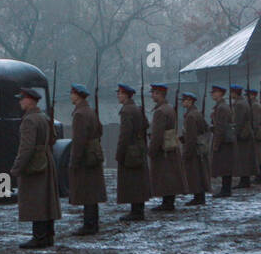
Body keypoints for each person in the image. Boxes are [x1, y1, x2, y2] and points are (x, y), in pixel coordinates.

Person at [10, 87, 61, 247]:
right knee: (46, 200)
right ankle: (48, 235)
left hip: (34, 165)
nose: (20, 102)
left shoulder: (29, 120)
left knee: (36, 200)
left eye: (22, 98)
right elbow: (53, 139)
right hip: (45, 160)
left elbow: (26, 148)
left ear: (30, 100)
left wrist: (17, 168)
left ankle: (38, 237)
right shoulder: (43, 117)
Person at [67, 84, 106, 235]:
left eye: (72, 93)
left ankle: (89, 225)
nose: (71, 96)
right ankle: (92, 223)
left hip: (85, 157)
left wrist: (74, 161)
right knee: (92, 192)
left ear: (77, 95)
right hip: (93, 154)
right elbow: (100, 130)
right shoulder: (89, 111)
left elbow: (79, 141)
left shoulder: (80, 114)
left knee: (87, 192)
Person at [146, 83, 187, 212]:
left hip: (163, 147)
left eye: (154, 93)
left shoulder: (160, 111)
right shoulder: (169, 108)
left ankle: (167, 203)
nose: (152, 95)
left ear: (159, 94)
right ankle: (168, 201)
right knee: (170, 175)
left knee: (165, 176)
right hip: (170, 146)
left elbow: (158, 133)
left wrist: (152, 150)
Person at [114, 83, 151, 220]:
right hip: (139, 147)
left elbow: (125, 134)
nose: (118, 95)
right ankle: (138, 209)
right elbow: (146, 124)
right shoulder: (137, 108)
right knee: (138, 180)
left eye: (120, 93)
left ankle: (136, 212)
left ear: (126, 95)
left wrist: (120, 153)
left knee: (132, 181)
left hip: (130, 150)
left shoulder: (126, 110)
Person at [179, 90, 209, 205]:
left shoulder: (191, 116)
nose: (183, 103)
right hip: (199, 146)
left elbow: (191, 137)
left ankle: (198, 197)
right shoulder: (197, 113)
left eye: (185, 100)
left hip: (194, 148)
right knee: (200, 172)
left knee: (195, 173)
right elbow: (205, 128)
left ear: (190, 101)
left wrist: (187, 153)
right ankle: (200, 196)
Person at [209, 84, 234, 197]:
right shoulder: (221, 106)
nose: (212, 94)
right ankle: (225, 188)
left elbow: (221, 127)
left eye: (215, 92)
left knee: (225, 166)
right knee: (225, 165)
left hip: (224, 140)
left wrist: (216, 143)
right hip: (225, 139)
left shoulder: (222, 107)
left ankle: (226, 189)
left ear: (220, 93)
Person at [230, 85, 256, 189]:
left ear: (235, 93)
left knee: (243, 158)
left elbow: (238, 121)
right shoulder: (243, 102)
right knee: (245, 158)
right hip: (246, 133)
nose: (230, 94)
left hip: (243, 135)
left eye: (232, 92)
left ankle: (244, 180)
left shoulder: (239, 104)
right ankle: (245, 180)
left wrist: (235, 133)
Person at [247, 88, 261, 184]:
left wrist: (253, 131)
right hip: (258, 133)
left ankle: (260, 177)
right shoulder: (255, 105)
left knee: (259, 157)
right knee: (259, 156)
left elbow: (256, 120)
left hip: (257, 135)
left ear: (253, 95)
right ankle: (259, 177)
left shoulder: (255, 106)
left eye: (248, 95)